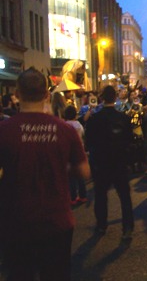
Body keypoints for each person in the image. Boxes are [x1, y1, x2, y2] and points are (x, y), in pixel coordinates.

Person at [0, 67, 90, 280]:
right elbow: (84, 171)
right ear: (46, 95)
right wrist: (60, 166)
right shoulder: (65, 130)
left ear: (18, 94)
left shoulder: (4, 130)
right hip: (56, 220)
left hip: (16, 220)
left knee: (20, 274)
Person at [85, 85, 135, 239]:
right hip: (119, 162)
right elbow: (129, 140)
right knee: (124, 196)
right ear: (115, 98)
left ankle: (101, 225)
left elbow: (89, 142)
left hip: (101, 163)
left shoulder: (95, 119)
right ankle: (127, 227)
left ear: (102, 98)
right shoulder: (123, 118)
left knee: (100, 195)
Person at [65, 105, 88, 206]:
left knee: (71, 177)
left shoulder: (64, 125)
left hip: (68, 152)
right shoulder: (78, 124)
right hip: (79, 150)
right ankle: (82, 196)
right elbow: (83, 134)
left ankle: (73, 197)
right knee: (80, 176)